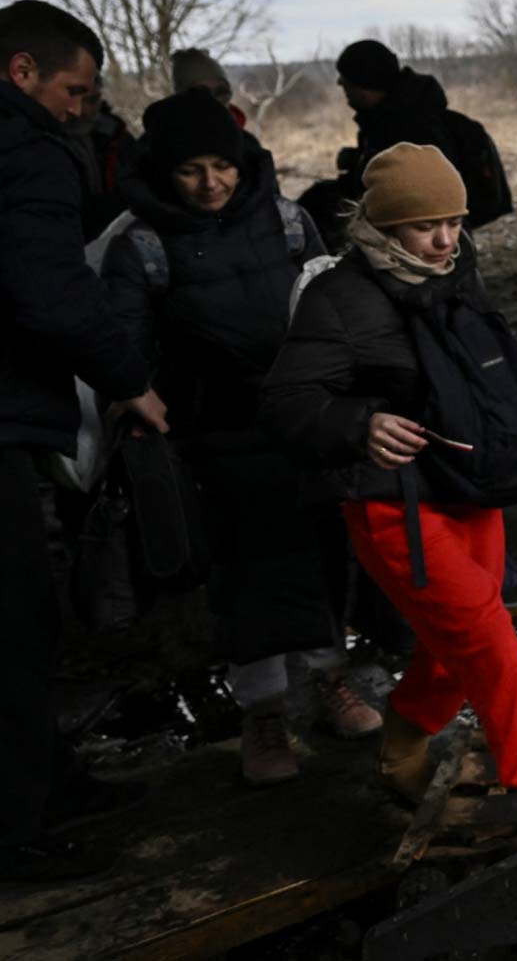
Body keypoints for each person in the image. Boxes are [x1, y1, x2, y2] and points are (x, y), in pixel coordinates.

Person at [261, 143, 517, 837]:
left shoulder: (454, 271)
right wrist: (359, 420)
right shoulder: (337, 296)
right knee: (493, 647)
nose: (444, 239)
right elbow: (287, 400)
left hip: (467, 487)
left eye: (454, 221)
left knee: (457, 641)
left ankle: (401, 748)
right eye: (424, 226)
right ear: (383, 227)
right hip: (393, 506)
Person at [101, 89, 381, 786]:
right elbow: (124, 348)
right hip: (213, 436)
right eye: (191, 169)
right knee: (245, 573)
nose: (210, 182)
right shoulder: (140, 245)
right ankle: (264, 715)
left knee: (323, 554)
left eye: (220, 165)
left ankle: (330, 682)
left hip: (302, 421)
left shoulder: (288, 223)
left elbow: (330, 305)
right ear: (165, 170)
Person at [0, 0, 165, 883]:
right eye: (76, 88)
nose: (82, 107)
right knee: (17, 623)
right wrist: (130, 378)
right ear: (22, 72)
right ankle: (19, 826)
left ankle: (46, 784)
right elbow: (51, 291)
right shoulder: (24, 150)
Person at [296, 40, 510, 248]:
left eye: (347, 80)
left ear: (365, 83)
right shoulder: (389, 118)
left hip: (422, 241)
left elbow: (418, 195)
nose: (340, 84)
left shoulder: (408, 127)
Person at [63, 73, 139, 238]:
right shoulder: (39, 145)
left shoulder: (117, 137)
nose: (82, 110)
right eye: (75, 99)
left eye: (92, 100)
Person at [170, 46, 250, 129]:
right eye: (201, 91)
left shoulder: (245, 139)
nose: (217, 98)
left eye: (221, 88)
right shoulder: (170, 138)